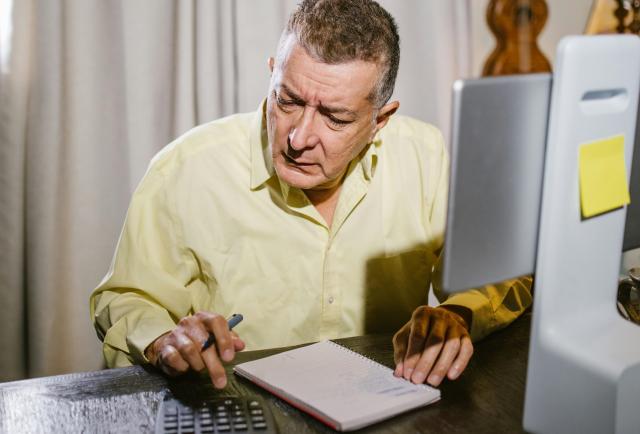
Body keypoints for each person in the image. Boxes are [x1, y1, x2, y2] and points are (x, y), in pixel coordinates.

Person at [90, 0, 531, 391]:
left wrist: (458, 314)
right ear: (272, 73)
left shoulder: (425, 156)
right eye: (287, 100)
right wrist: (163, 339)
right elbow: (126, 299)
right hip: (235, 403)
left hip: (383, 404)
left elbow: (503, 269)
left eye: (335, 118)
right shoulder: (186, 168)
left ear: (380, 121)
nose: (298, 138)